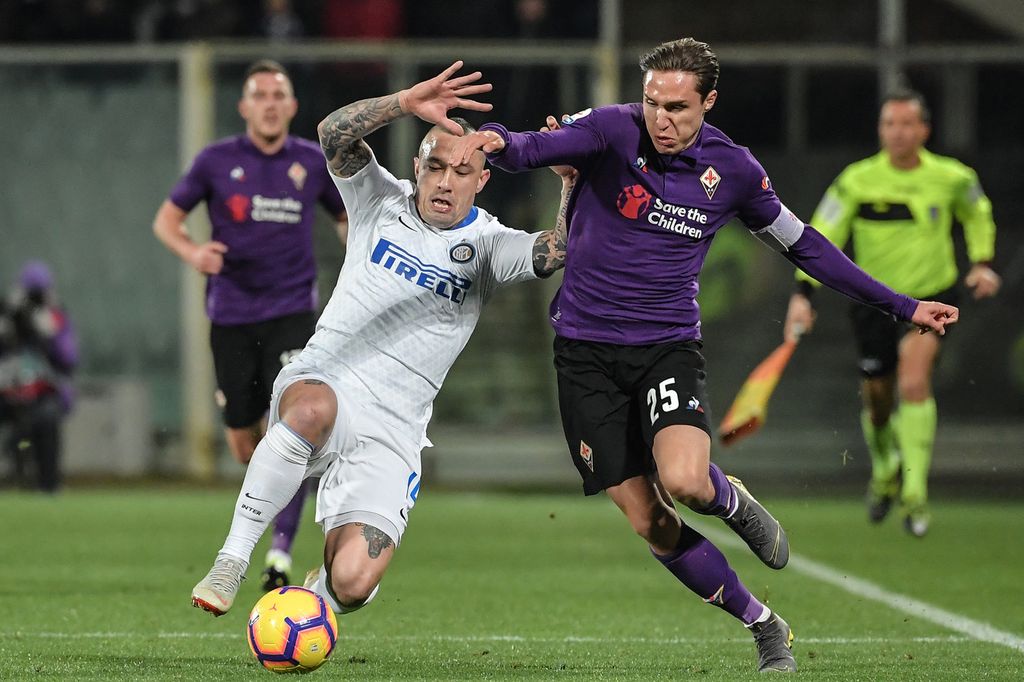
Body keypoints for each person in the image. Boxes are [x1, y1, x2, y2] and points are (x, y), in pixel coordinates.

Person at [449, 38, 959, 673]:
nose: (662, 118)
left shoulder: (735, 171)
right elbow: (532, 145)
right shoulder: (609, 130)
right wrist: (491, 139)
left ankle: (729, 501)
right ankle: (764, 623)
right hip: (584, 355)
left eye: (679, 108)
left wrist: (902, 305)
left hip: (666, 348)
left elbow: (806, 247)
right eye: (653, 103)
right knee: (652, 524)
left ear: (708, 102)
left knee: (687, 481)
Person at [190, 61, 576, 620]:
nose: (445, 181)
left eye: (461, 170)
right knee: (310, 408)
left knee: (352, 583)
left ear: (483, 178)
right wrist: (403, 102)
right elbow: (331, 134)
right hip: (329, 380)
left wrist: (568, 184)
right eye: (435, 166)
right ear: (416, 167)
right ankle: (232, 558)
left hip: (394, 429)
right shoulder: (379, 200)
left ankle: (310, 602)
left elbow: (555, 252)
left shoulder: (490, 245)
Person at [153, 59, 348, 591]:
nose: (268, 102)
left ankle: (278, 555)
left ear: (291, 106)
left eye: (277, 93)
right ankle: (261, 483)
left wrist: (361, 264)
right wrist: (194, 252)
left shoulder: (311, 160)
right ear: (244, 107)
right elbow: (166, 221)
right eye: (258, 94)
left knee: (291, 432)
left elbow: (346, 217)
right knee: (245, 444)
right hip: (232, 317)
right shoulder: (217, 161)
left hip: (291, 316)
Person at [783, 90, 998, 538]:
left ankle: (915, 494)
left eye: (906, 124)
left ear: (924, 130)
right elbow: (821, 236)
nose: (897, 132)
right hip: (874, 303)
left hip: (931, 298)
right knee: (878, 401)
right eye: (889, 124)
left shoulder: (952, 177)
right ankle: (885, 470)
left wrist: (981, 261)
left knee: (914, 379)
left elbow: (978, 212)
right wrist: (805, 291)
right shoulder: (856, 181)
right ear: (880, 130)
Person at [0, 261, 79, 492]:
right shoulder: (6, 312)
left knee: (47, 417)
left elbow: (69, 358)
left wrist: (49, 335)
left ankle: (49, 483)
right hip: (5, 389)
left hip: (41, 391)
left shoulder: (55, 316)